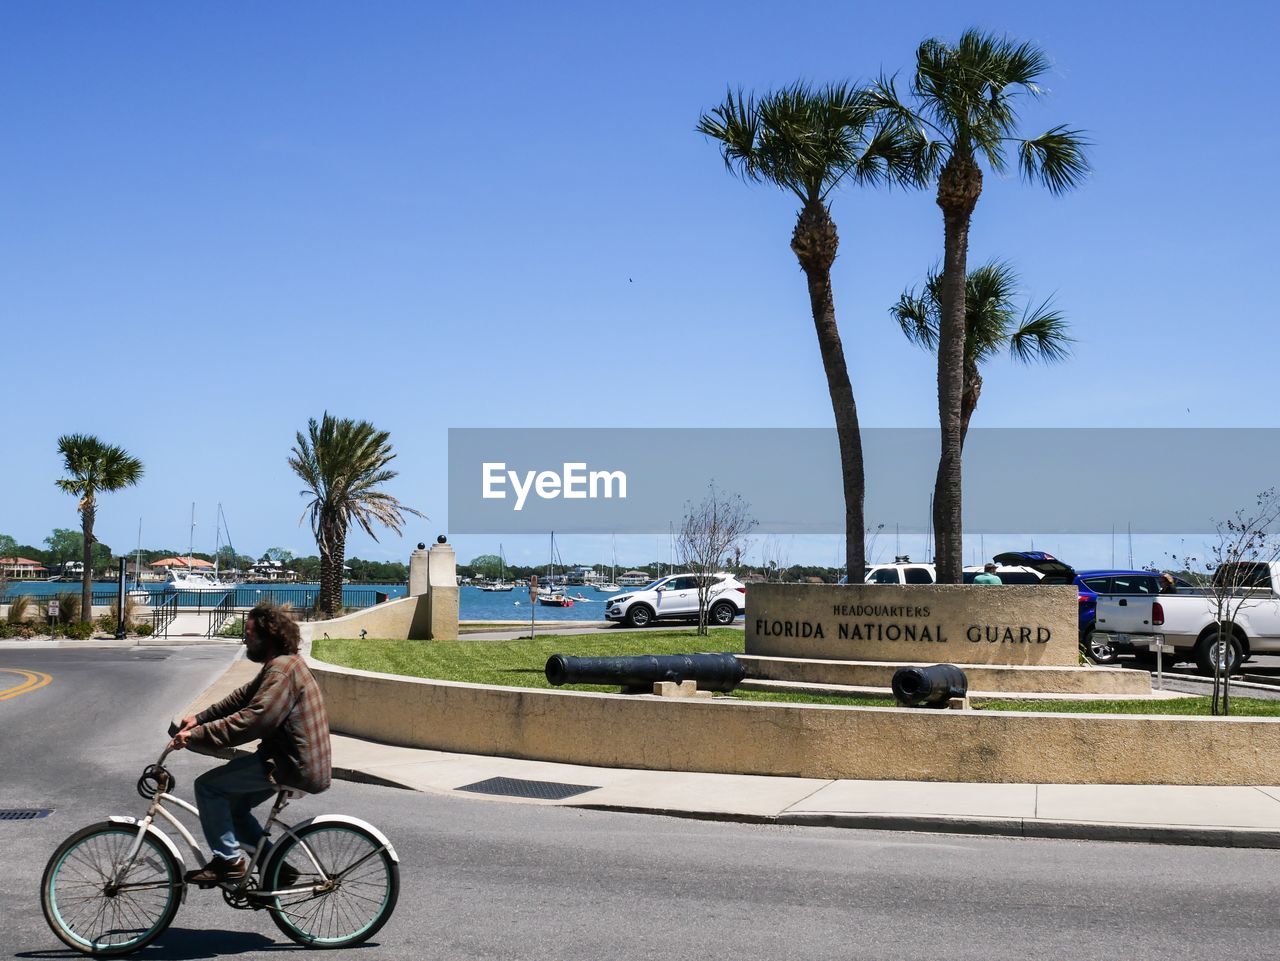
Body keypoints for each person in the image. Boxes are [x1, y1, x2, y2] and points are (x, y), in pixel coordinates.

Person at [170, 601, 331, 885]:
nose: (245, 639)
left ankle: (229, 861)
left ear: (267, 637)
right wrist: (199, 718)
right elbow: (242, 696)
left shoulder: (281, 672)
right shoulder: (282, 664)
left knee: (208, 787)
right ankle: (275, 866)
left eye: (250, 634)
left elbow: (253, 720)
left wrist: (195, 736)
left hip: (290, 765)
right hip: (289, 760)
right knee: (235, 808)